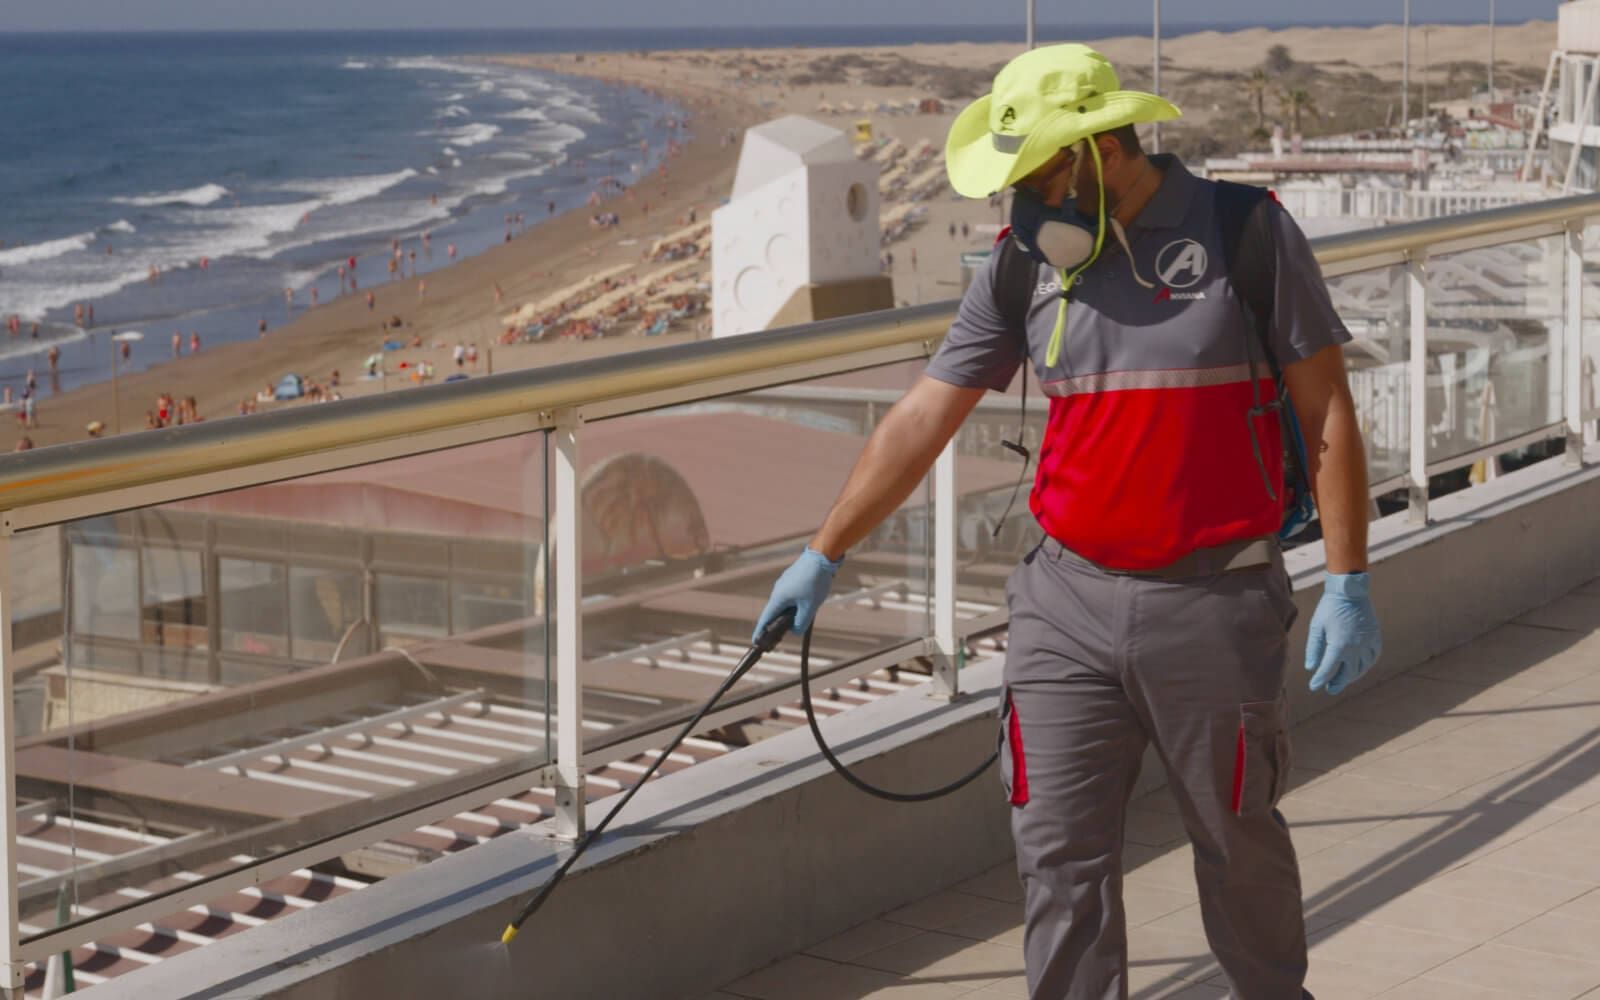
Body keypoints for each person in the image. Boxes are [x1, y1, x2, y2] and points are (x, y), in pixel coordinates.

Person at [750, 44, 1381, 1000]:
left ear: (1102, 150)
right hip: (1064, 604)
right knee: (1058, 862)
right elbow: (924, 413)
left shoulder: (1247, 231)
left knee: (1236, 846)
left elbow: (1325, 407)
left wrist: (1349, 579)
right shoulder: (1020, 265)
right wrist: (822, 552)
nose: (1021, 201)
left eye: (1038, 173)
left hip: (1214, 601)